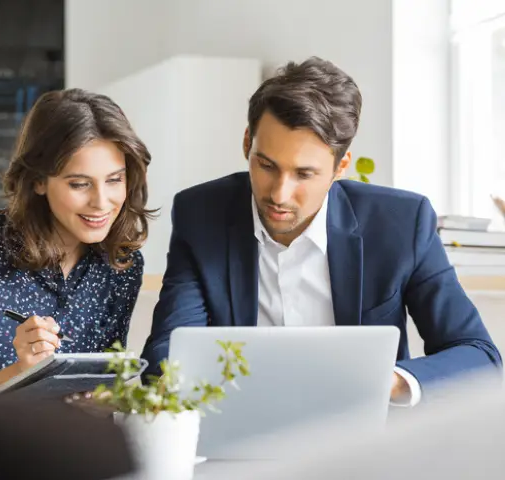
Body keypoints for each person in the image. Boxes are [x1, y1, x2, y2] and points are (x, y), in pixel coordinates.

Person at [141, 57, 501, 405]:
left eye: (304, 174)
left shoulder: (402, 223)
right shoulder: (201, 214)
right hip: (237, 435)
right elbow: (166, 353)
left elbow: (478, 356)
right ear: (247, 142)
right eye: (266, 165)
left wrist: (384, 382)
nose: (279, 194)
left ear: (340, 165)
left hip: (361, 440)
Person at [0, 88, 156, 395]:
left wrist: (101, 400)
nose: (101, 202)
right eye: (79, 184)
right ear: (38, 181)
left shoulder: (121, 264)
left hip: (60, 438)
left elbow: (100, 383)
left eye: (115, 179)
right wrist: (22, 372)